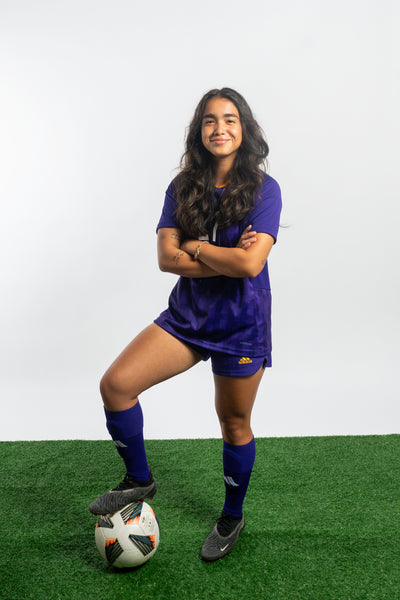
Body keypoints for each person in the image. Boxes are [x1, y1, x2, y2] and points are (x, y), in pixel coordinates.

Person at [89, 87, 282, 562]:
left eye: (230, 119)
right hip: (188, 318)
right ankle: (139, 480)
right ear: (199, 131)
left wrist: (194, 247)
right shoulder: (182, 188)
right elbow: (165, 258)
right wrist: (224, 256)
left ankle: (232, 516)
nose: (220, 128)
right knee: (116, 385)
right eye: (210, 120)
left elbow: (251, 265)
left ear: (244, 129)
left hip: (241, 324)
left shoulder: (265, 189)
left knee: (233, 424)